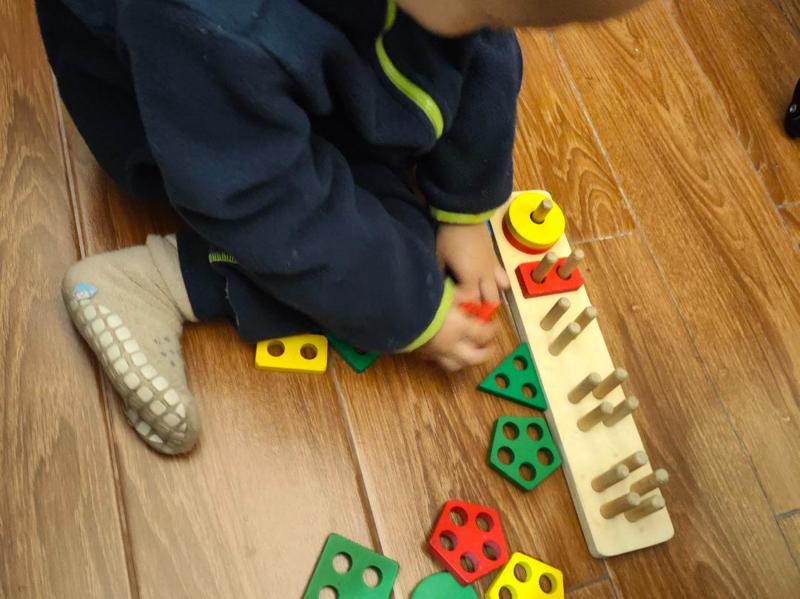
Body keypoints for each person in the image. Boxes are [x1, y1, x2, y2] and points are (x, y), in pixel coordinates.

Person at [37, 0, 646, 454]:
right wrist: (413, 313)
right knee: (383, 262)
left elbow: (487, 52)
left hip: (283, 68)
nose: (487, 31)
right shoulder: (208, 18)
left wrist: (465, 207)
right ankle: (159, 281)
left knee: (392, 242)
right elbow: (259, 199)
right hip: (184, 117)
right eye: (480, 15)